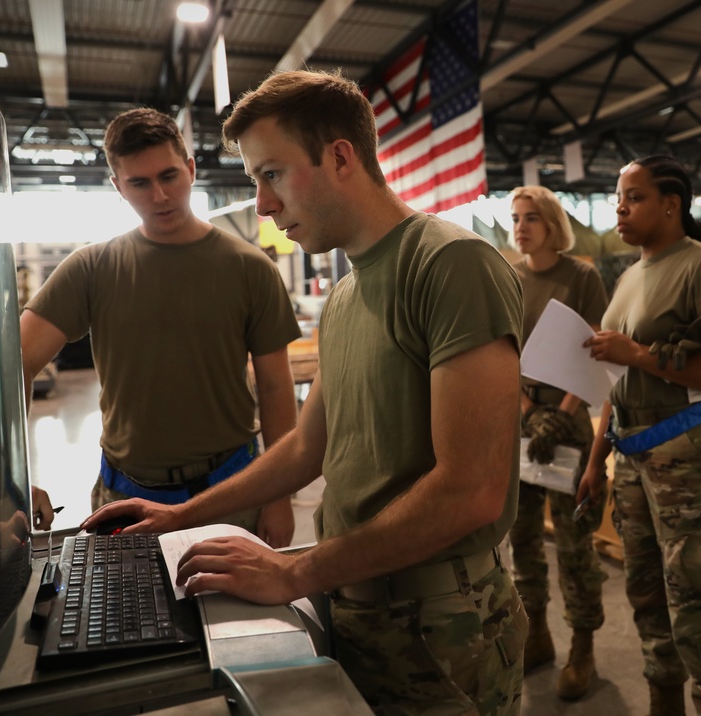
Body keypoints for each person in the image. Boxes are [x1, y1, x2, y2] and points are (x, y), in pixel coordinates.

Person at [83, 69, 527, 715]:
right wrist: (180, 516)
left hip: (441, 623)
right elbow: (304, 450)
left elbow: (471, 490)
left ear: (340, 156)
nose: (262, 205)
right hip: (359, 603)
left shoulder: (450, 264)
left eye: (271, 175)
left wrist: (294, 572)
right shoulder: (347, 294)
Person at [20, 108, 300, 547]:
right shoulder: (91, 269)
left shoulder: (250, 268)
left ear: (190, 169)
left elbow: (277, 389)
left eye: (169, 176)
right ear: (117, 186)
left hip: (231, 495)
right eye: (139, 183)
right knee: (122, 618)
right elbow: (14, 362)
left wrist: (279, 496)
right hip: (126, 498)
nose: (160, 195)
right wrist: (11, 478)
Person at [576, 155, 701, 716]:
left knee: (698, 606)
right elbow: (615, 376)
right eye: (618, 199)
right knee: (647, 596)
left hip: (691, 456)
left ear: (671, 204)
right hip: (631, 456)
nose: (620, 209)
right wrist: (595, 459)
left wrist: (638, 354)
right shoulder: (630, 275)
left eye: (634, 197)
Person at [507, 185, 609, 700]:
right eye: (516, 217)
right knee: (523, 542)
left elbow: (593, 351)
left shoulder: (581, 276)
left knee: (573, 545)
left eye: (532, 218)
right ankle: (539, 637)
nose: (521, 227)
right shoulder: (508, 277)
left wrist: (559, 415)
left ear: (551, 224)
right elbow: (503, 356)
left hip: (568, 420)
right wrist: (529, 415)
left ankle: (582, 650)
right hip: (520, 423)